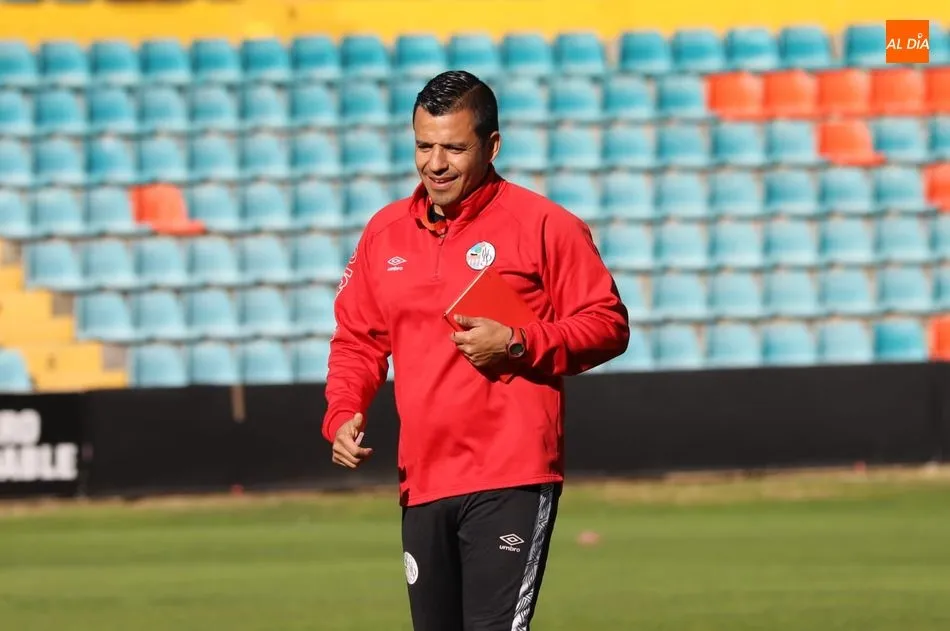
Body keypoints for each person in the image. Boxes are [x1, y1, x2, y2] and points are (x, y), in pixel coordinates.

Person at [323, 70, 629, 631]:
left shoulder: (545, 226)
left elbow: (608, 324)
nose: (435, 163)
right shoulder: (383, 233)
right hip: (422, 479)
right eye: (423, 145)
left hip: (510, 474)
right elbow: (357, 340)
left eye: (454, 147)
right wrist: (343, 412)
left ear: (492, 146)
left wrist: (517, 342)